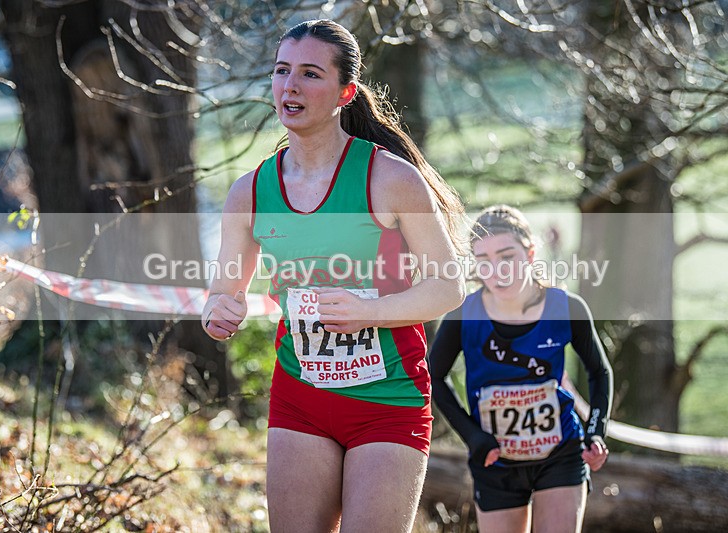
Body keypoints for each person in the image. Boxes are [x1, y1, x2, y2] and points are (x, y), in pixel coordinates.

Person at [201, 19, 466, 533]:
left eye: (310, 73)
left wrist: (371, 312)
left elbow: (448, 286)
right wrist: (219, 313)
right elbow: (221, 294)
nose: (290, 86)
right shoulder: (250, 192)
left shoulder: (390, 178)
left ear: (345, 92)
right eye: (281, 71)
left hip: (388, 398)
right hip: (300, 398)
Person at [429, 205, 613, 533]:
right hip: (495, 458)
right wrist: (472, 436)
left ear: (529, 254)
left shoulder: (566, 307)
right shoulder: (463, 314)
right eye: (483, 260)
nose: (496, 270)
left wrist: (596, 431)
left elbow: (600, 372)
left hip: (561, 452)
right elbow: (433, 376)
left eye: (506, 257)